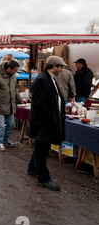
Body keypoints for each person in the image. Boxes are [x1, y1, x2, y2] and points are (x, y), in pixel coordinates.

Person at [27, 56, 66, 191]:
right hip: (43, 123)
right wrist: (51, 118)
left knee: (41, 147)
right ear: (54, 66)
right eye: (61, 67)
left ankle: (32, 168)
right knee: (42, 149)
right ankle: (43, 178)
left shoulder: (48, 78)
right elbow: (39, 105)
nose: (61, 70)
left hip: (46, 121)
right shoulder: (42, 80)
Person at [0, 60, 26, 151]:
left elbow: (15, 90)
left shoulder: (13, 76)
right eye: (14, 70)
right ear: (8, 69)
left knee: (10, 124)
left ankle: (5, 140)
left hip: (10, 106)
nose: (15, 72)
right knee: (0, 125)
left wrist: (20, 99)